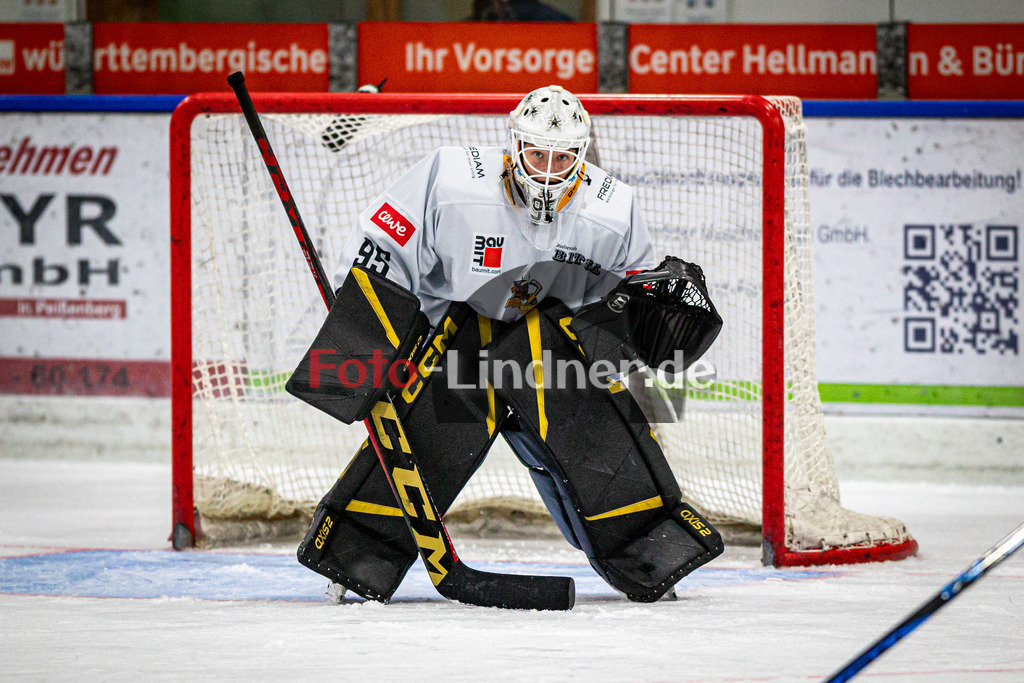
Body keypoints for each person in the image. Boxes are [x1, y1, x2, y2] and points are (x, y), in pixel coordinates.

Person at [291, 85, 724, 605]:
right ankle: (354, 558)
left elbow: (626, 297)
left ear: (581, 156)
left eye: (562, 157)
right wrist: (368, 338)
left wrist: (654, 304)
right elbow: (381, 250)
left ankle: (651, 553)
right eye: (537, 153)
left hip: (545, 345)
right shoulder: (449, 177)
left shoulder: (613, 209)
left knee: (597, 438)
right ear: (514, 145)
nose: (547, 168)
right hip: (455, 331)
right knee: (427, 441)